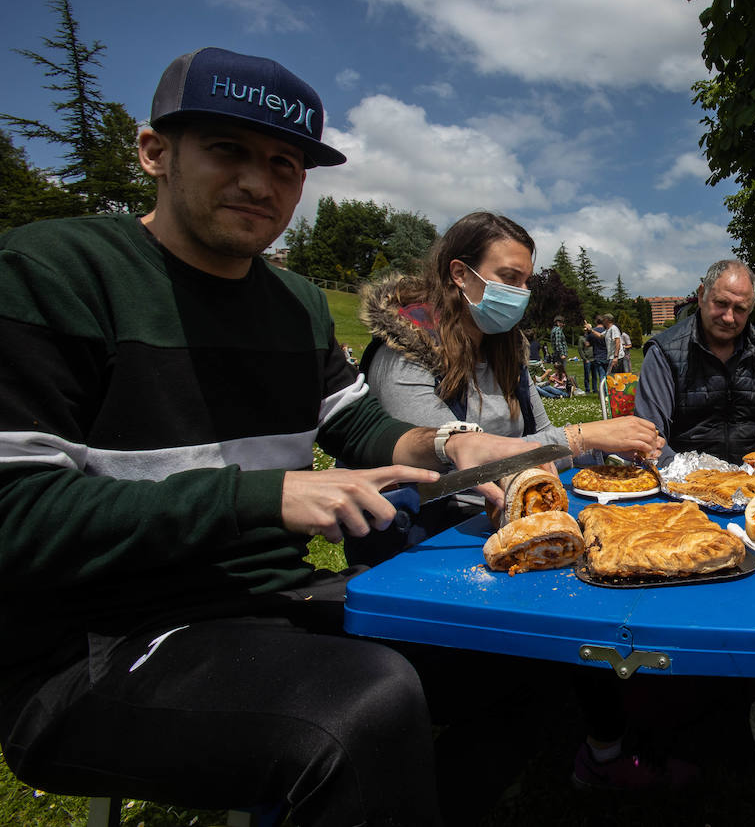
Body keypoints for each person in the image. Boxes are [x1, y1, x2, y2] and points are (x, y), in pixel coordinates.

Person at [0, 47, 549, 827]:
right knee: (366, 707)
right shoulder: (54, 271)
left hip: (271, 601)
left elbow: (354, 423)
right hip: (93, 644)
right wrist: (261, 497)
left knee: (521, 652)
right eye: (228, 150)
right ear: (154, 151)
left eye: (285, 163)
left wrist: (452, 443)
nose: (260, 182)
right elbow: (16, 514)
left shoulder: (294, 303)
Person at [354, 212, 662, 561]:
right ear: (459, 274)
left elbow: (544, 442)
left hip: (508, 524)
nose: (521, 294)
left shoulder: (506, 350)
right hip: (425, 540)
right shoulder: (404, 351)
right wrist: (582, 436)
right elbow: (447, 464)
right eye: (509, 278)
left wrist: (610, 445)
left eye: (525, 282)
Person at [635, 259, 755, 465]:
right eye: (721, 304)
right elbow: (649, 439)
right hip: (683, 481)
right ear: (701, 296)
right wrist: (694, 478)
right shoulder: (664, 352)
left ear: (751, 308)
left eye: (740, 309)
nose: (728, 317)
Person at [583, 315, 611, 394]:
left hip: (598, 355)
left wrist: (587, 333)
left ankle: (604, 393)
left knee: (602, 376)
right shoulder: (607, 330)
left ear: (596, 322)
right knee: (609, 375)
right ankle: (609, 392)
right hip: (608, 355)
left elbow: (587, 344)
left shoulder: (593, 332)